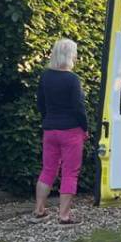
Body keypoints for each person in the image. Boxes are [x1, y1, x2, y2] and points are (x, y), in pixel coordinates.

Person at [34, 38, 88, 224]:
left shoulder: (45, 76)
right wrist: (85, 128)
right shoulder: (72, 79)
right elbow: (78, 107)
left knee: (48, 169)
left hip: (50, 129)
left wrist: (48, 119)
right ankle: (64, 215)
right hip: (71, 131)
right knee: (70, 172)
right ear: (69, 55)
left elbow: (40, 104)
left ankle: (39, 209)